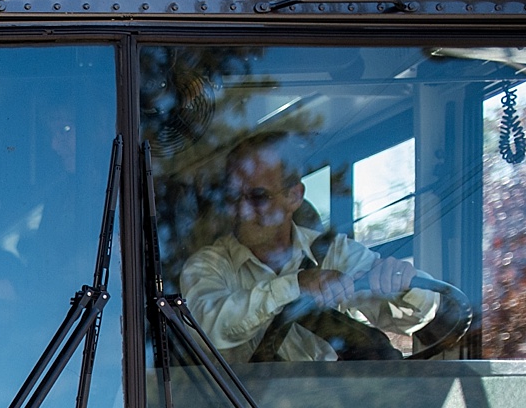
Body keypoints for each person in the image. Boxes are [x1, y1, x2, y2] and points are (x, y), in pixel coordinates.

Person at [181, 134, 438, 362]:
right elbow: (209, 328)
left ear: (293, 196)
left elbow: (416, 316)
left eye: (258, 196)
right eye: (232, 196)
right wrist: (296, 285)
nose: (242, 210)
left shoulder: (330, 252)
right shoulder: (209, 265)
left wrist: (404, 284)